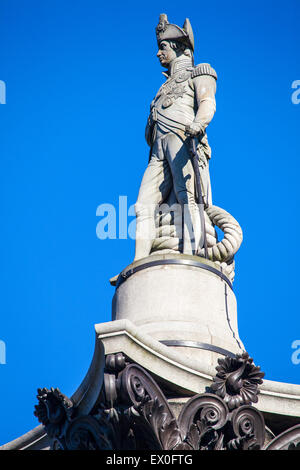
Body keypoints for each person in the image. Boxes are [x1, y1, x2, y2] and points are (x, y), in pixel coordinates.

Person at [134, 14, 217, 261]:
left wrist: (197, 124)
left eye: (162, 47)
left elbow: (207, 103)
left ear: (179, 48)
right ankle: (139, 261)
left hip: (181, 140)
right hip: (157, 151)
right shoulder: (163, 87)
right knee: (143, 206)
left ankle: (193, 255)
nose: (158, 54)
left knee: (186, 196)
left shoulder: (198, 73)